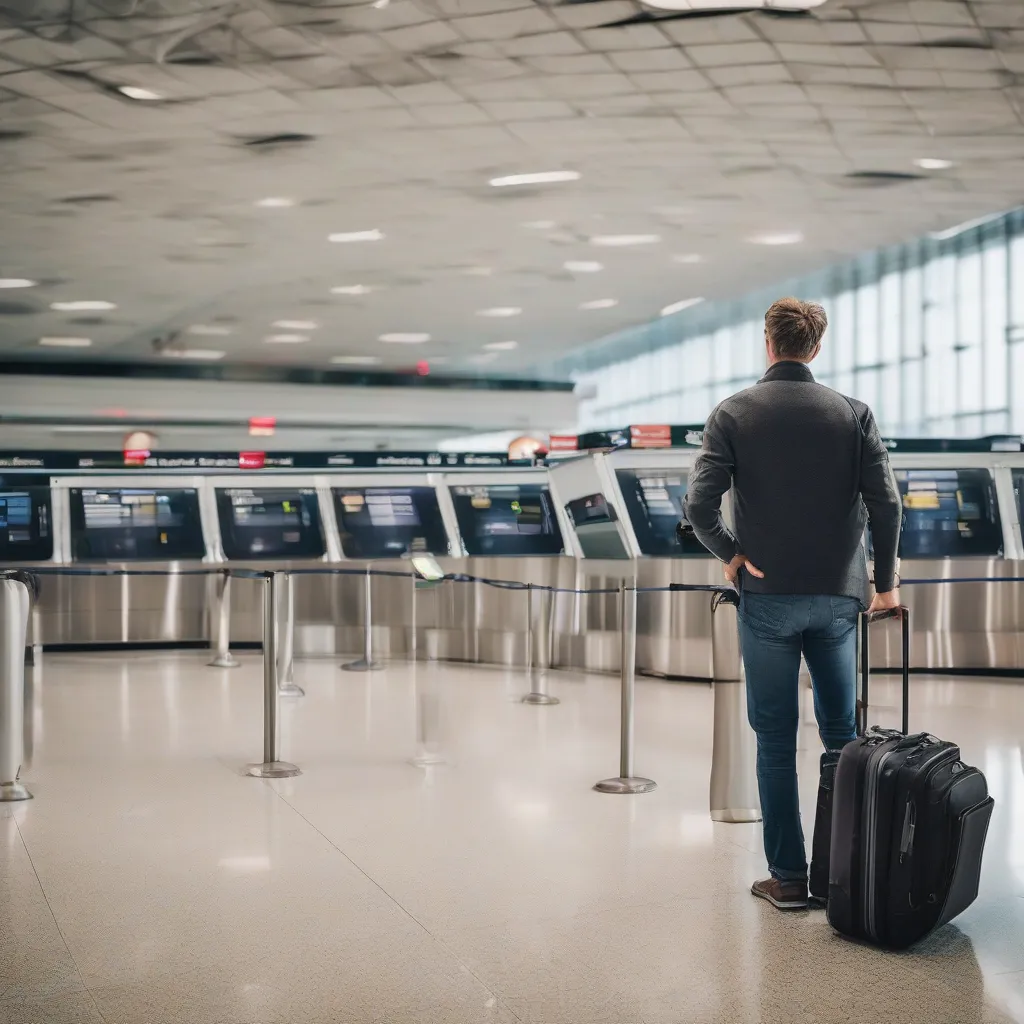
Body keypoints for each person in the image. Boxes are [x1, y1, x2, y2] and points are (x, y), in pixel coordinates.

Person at [683, 297, 902, 911]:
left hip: (767, 596)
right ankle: (843, 875)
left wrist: (729, 553)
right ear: (816, 346)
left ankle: (788, 879)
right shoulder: (852, 414)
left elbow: (699, 508)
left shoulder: (733, 413)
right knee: (842, 736)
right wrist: (882, 584)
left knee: (775, 739)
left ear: (768, 342)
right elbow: (886, 505)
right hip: (838, 597)